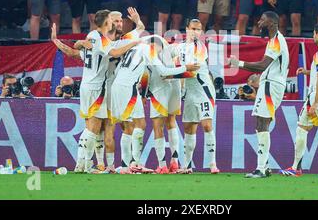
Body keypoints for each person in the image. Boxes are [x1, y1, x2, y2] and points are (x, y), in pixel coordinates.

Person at [111, 35, 198, 173]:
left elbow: (118, 72)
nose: (158, 52)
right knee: (150, 124)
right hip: (146, 88)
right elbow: (163, 71)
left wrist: (144, 94)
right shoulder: (152, 50)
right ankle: (136, 164)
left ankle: (135, 164)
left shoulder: (135, 48)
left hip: (127, 86)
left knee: (133, 126)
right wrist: (185, 68)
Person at [73, 9, 140, 173]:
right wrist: (135, 43)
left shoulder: (95, 37)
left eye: (119, 21)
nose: (116, 22)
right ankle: (84, 164)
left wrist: (137, 22)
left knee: (96, 128)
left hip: (91, 85)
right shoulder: (100, 38)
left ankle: (88, 164)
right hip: (97, 87)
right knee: (93, 127)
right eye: (112, 19)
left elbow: (78, 48)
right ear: (106, 22)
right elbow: (115, 51)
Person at [228, 11, 289, 178]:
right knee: (261, 123)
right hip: (270, 84)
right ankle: (265, 167)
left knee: (262, 123)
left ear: (272, 23)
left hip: (271, 85)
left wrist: (238, 63)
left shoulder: (276, 41)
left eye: (263, 19)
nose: (259, 22)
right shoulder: (273, 41)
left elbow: (262, 66)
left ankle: (261, 168)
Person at [279, 23, 318, 178]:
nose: (313, 36)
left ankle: (295, 168)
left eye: (314, 33)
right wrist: (308, 72)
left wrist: (316, 103)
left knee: (301, 129)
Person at [171, 19, 220, 174]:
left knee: (206, 125)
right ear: (186, 29)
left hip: (204, 90)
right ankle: (186, 165)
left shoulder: (200, 47)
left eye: (199, 30)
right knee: (189, 128)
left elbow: (192, 70)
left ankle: (212, 164)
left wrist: (169, 75)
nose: (196, 32)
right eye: (193, 29)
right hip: (190, 92)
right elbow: (169, 59)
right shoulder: (179, 47)